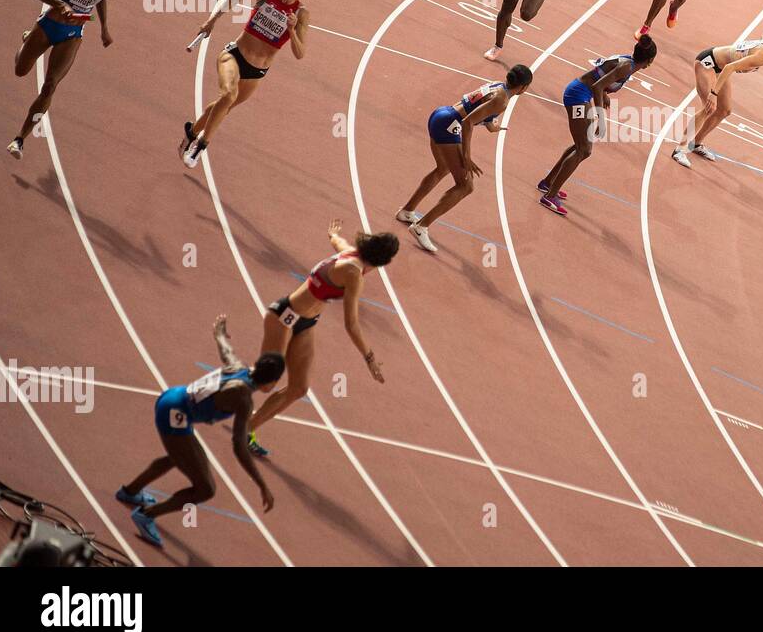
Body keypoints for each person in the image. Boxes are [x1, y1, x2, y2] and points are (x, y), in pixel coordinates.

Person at [116, 315, 283, 548]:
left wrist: (220, 333)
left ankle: (130, 492)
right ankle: (146, 514)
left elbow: (225, 347)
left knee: (179, 457)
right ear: (272, 383)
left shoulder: (238, 367)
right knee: (205, 489)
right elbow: (239, 446)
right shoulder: (244, 400)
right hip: (175, 415)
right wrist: (261, 484)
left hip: (172, 398)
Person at [245, 220, 397, 455]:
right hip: (284, 316)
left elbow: (337, 240)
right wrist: (370, 358)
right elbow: (351, 324)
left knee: (298, 388)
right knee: (266, 384)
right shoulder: (353, 274)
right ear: (384, 261)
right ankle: (218, 389)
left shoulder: (350, 252)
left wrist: (333, 233)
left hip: (306, 324)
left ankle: (246, 429)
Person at [181, 0, 312, 168]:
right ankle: (200, 146)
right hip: (234, 55)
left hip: (257, 72)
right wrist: (211, 21)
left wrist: (292, 30)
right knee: (228, 96)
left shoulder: (301, 14)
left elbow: (300, 53)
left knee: (224, 106)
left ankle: (191, 132)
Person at [395, 65, 534, 252]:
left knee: (442, 168)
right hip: (450, 126)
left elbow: (478, 111)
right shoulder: (502, 101)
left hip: (442, 114)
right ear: (524, 87)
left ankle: (407, 211)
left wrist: (491, 125)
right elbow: (468, 121)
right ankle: (421, 227)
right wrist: (467, 156)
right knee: (465, 186)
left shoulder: (498, 86)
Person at [8, 0, 113, 159]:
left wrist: (105, 28)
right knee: (20, 70)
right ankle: (27, 40)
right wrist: (59, 3)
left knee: (50, 86)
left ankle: (20, 139)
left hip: (72, 34)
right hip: (49, 26)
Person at [538, 36, 657, 214]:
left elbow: (599, 77)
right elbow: (597, 87)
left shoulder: (627, 62)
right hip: (578, 96)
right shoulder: (627, 67)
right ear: (650, 61)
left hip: (579, 93)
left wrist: (605, 95)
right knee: (584, 150)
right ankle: (549, 196)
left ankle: (548, 183)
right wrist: (601, 118)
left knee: (580, 145)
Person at [671, 29, 763, 167]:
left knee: (725, 110)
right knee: (709, 108)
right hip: (708, 63)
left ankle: (696, 143)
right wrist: (713, 94)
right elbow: (730, 67)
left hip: (719, 68)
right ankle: (679, 150)